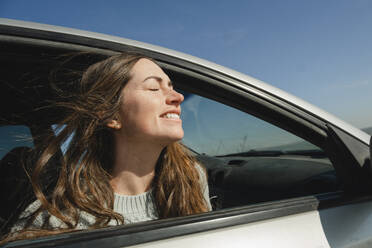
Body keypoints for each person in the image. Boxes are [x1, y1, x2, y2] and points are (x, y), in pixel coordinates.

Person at [4, 53, 211, 242]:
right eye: (154, 88)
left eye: (171, 86)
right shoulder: (58, 220)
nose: (178, 97)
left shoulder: (191, 179)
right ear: (110, 115)